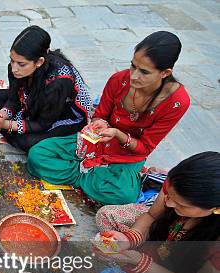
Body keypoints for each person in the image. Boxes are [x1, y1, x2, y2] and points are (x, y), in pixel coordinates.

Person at [28, 31, 190, 205]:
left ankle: (83, 173)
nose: (134, 76)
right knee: (37, 155)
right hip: (98, 141)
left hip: (126, 154)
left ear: (165, 73)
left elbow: (144, 148)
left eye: (144, 72)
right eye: (133, 66)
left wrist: (118, 135)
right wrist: (99, 123)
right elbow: (100, 114)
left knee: (124, 196)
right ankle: (87, 175)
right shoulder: (119, 79)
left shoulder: (177, 102)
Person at [95, 152, 220, 273]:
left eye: (180, 204)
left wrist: (138, 260)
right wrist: (129, 238)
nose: (167, 202)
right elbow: (152, 216)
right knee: (107, 215)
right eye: (168, 195)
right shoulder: (177, 183)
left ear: (215, 208)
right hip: (165, 243)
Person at [0, 25, 92, 152]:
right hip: (36, 103)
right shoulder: (16, 67)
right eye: (12, 60)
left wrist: (5, 124)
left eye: (21, 64)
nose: (14, 68)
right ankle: (10, 127)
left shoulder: (59, 82)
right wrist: (0, 115)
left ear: (39, 62)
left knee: (26, 142)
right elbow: (14, 100)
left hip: (61, 114)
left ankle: (9, 129)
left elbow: (43, 124)